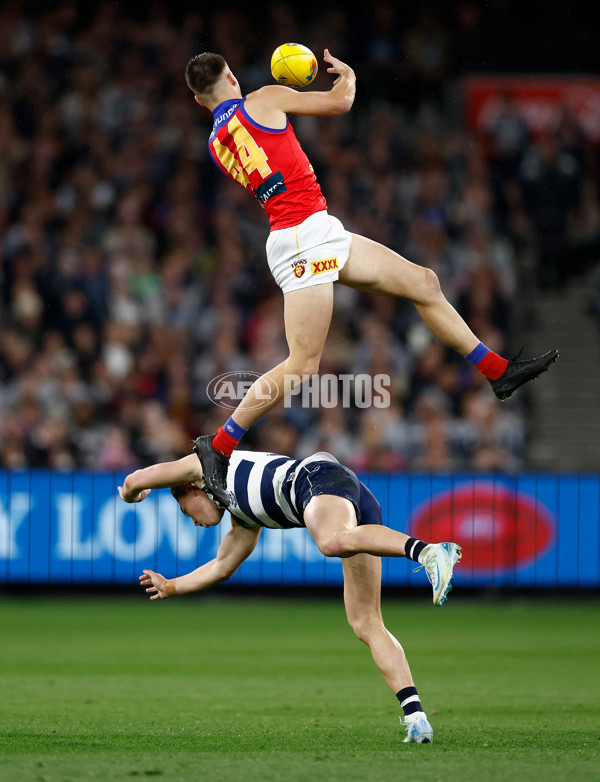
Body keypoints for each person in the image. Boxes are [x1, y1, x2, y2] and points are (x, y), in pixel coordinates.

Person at [185, 49, 558, 506]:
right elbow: (340, 103)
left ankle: (498, 371)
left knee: (425, 283)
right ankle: (219, 445)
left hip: (312, 229)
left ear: (200, 100)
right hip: (303, 237)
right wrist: (349, 74)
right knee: (303, 365)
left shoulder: (216, 142)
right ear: (231, 77)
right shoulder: (263, 98)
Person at [119, 441, 463, 744]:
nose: (192, 521)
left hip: (316, 478)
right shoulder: (243, 520)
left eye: (185, 511)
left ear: (191, 489)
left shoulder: (202, 464)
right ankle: (416, 718)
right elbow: (221, 568)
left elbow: (134, 481)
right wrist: (170, 586)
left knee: (330, 542)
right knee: (365, 622)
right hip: (343, 491)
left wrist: (132, 494)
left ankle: (428, 552)